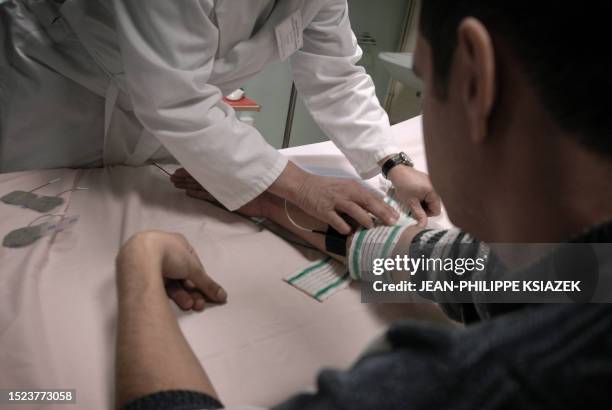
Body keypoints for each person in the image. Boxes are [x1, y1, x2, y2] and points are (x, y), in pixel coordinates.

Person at [114, 1, 612, 409]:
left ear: (474, 81)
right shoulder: (585, 273)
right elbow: (464, 269)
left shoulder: (484, 383)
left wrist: (140, 269)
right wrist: (268, 201)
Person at [0, 0, 441, 233]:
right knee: (24, 220)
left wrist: (392, 162)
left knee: (121, 221)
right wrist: (299, 186)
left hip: (155, 112)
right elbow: (175, 97)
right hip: (57, 83)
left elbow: (336, 76)